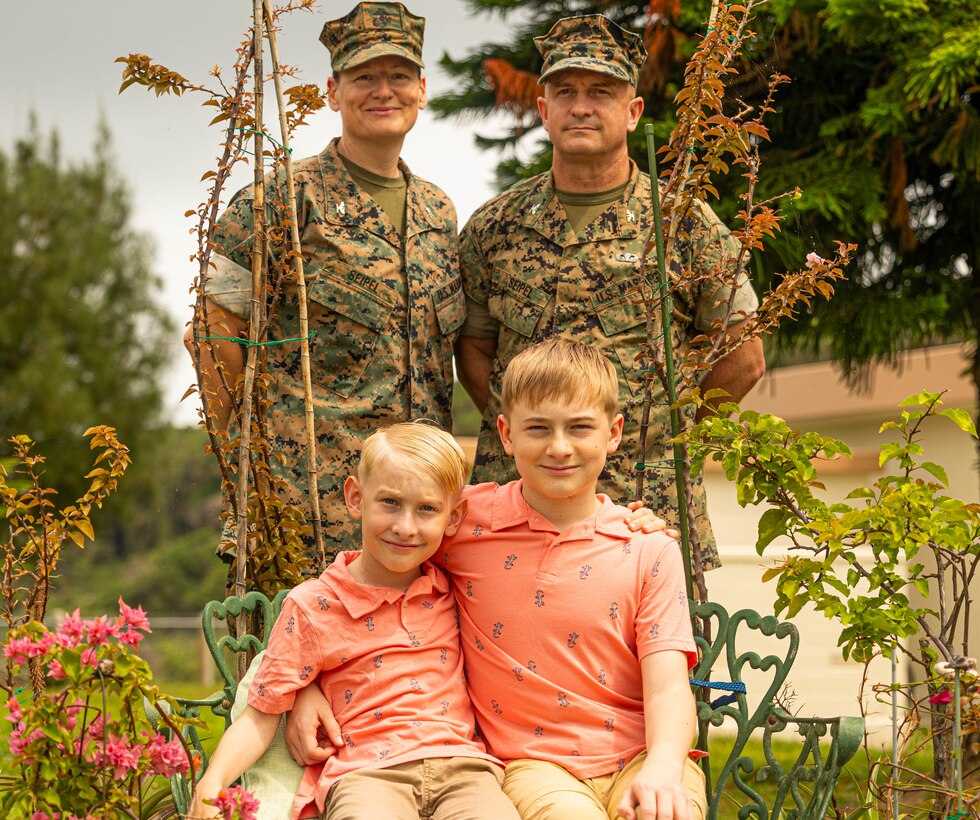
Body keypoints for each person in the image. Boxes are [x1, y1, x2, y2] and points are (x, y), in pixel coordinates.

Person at [288, 338, 707, 820]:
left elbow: (669, 687)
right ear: (506, 434)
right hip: (535, 764)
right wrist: (305, 684)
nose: (559, 447)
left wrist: (664, 764)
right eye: (538, 429)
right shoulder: (459, 521)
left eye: (579, 428)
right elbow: (358, 586)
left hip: (645, 757)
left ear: (612, 433)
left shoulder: (648, 548)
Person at [453, 14, 766, 571]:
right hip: (516, 509)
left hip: (644, 508)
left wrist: (660, 435)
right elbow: (474, 349)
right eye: (565, 92)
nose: (581, 107)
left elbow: (742, 356)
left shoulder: (682, 223)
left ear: (633, 111)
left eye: (601, 92)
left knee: (657, 654)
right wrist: (529, 439)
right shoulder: (493, 227)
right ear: (544, 110)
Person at [184, 2, 465, 574]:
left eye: (399, 76)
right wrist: (250, 470)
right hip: (309, 510)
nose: (383, 91)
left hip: (418, 518)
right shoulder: (279, 202)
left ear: (422, 89)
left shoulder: (439, 213)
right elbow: (212, 337)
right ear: (333, 92)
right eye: (364, 77)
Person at [187, 422, 522, 820]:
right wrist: (213, 781)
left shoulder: (454, 588)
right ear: (355, 498)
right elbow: (261, 713)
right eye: (390, 503)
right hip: (367, 775)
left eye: (427, 509)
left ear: (454, 517)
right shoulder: (314, 606)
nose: (405, 527)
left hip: (464, 770)